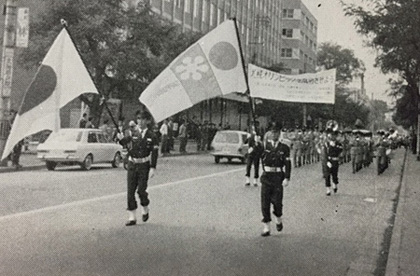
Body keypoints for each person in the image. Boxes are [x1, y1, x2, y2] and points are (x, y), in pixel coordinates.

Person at [117, 111, 159, 226]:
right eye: (138, 119)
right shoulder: (133, 133)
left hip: (143, 165)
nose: (140, 121)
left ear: (148, 121)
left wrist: (153, 167)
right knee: (130, 191)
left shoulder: (152, 136)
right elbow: (125, 142)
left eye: (143, 119)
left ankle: (145, 207)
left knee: (141, 190)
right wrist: (121, 139)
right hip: (132, 164)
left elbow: (154, 153)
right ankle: (132, 217)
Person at [260, 121, 291, 237]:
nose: (274, 134)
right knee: (265, 203)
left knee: (277, 203)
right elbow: (255, 153)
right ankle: (266, 227)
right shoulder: (264, 146)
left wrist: (287, 177)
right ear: (269, 133)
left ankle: (278, 218)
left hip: (278, 178)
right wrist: (255, 143)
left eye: (276, 132)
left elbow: (287, 163)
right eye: (272, 132)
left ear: (279, 133)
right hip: (266, 177)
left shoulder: (284, 147)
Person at [324, 129, 343, 196]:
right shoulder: (326, 143)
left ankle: (335, 184)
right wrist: (327, 161)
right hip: (329, 160)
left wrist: (334, 146)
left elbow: (340, 150)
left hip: (335, 161)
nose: (332, 136)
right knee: (327, 175)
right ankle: (328, 189)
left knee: (334, 175)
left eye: (334, 135)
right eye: (331, 135)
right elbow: (324, 153)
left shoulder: (338, 143)